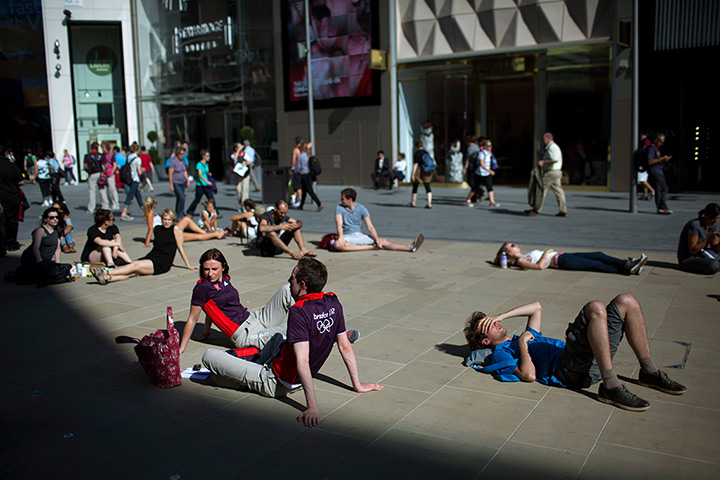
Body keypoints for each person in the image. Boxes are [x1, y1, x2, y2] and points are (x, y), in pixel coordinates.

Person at [200, 256, 383, 427]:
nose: (289, 282)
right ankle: (251, 366)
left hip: (273, 381)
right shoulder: (333, 302)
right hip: (291, 375)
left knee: (209, 357)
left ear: (302, 285)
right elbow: (344, 346)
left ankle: (249, 373)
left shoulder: (298, 311)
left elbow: (303, 361)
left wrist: (312, 407)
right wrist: (357, 384)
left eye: (292, 279)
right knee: (277, 337)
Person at [464, 294, 687, 411]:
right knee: (594, 307)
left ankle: (648, 371)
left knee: (626, 301)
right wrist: (522, 345)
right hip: (566, 369)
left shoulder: (520, 336)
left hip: (582, 359)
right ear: (485, 340)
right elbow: (529, 376)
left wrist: (501, 316)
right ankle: (611, 386)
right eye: (489, 325)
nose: (494, 323)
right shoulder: (502, 352)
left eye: (492, 320)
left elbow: (536, 307)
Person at [179, 248, 294, 354]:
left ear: (223, 267)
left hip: (256, 319)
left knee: (286, 290)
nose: (210, 274)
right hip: (246, 335)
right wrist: (181, 348)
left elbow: (211, 310)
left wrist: (205, 333)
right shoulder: (202, 288)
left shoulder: (225, 279)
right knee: (290, 329)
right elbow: (193, 318)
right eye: (206, 269)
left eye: (214, 269)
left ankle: (309, 314)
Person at [93, 208, 198, 284]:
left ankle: (105, 272)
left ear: (173, 220)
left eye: (169, 219)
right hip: (152, 256)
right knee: (133, 272)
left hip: (163, 262)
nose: (166, 222)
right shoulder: (157, 229)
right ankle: (107, 278)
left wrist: (188, 265)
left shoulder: (175, 230)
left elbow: (180, 248)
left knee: (134, 266)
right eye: (164, 219)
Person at [335, 188, 424, 253]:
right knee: (338, 245)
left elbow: (370, 226)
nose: (341, 200)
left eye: (343, 199)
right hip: (347, 236)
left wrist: (377, 239)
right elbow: (339, 224)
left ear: (350, 199)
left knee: (382, 241)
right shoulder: (339, 208)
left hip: (359, 235)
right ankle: (369, 247)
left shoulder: (362, 208)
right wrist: (341, 238)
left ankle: (409, 247)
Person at [494, 242, 647, 275]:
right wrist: (547, 252)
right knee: (595, 264)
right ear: (510, 253)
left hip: (562, 256)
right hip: (560, 261)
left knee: (598, 255)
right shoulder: (521, 261)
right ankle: (627, 267)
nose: (516, 245)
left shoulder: (525, 256)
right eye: (512, 245)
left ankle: (629, 265)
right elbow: (540, 266)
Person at [142, 196, 226, 248]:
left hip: (168, 230)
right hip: (167, 234)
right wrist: (147, 242)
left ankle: (205, 232)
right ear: (153, 204)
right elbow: (150, 229)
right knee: (195, 236)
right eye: (156, 203)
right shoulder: (150, 214)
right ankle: (215, 234)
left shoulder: (152, 213)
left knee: (187, 220)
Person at [526, 132, 567, 217]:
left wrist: (543, 162)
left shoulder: (552, 147)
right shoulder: (554, 147)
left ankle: (536, 209)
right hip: (557, 172)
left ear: (549, 139)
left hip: (551, 172)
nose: (544, 141)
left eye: (545, 139)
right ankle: (563, 210)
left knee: (541, 189)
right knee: (558, 191)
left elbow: (554, 159)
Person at [677, 202, 720, 275]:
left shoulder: (712, 226)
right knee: (714, 265)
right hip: (689, 258)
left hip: (703, 254)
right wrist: (708, 239)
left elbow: (715, 248)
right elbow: (693, 250)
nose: (715, 221)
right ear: (706, 215)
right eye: (713, 218)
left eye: (718, 218)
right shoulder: (695, 225)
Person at [0, 149, 25, 254]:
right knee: (12, 221)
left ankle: (2, 245)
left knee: (1, 223)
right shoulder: (11, 165)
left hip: (1, 198)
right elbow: (21, 181)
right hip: (12, 197)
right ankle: (11, 242)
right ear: (5, 153)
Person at [647, 133, 673, 215]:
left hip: (658, 171)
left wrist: (663, 159)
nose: (661, 144)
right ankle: (661, 207)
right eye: (660, 142)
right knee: (661, 189)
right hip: (655, 172)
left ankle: (662, 206)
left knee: (663, 189)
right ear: (656, 140)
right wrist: (662, 158)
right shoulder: (651, 148)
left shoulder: (655, 149)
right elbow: (650, 161)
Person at [186, 149, 215, 217]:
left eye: (209, 156)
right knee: (197, 199)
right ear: (203, 156)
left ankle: (214, 212)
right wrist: (207, 181)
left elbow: (205, 173)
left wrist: (209, 174)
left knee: (211, 199)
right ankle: (189, 211)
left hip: (206, 185)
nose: (209, 157)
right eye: (207, 156)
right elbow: (200, 175)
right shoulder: (199, 164)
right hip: (200, 185)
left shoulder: (206, 164)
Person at [296, 142, 323, 211]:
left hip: (304, 175)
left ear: (301, 149)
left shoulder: (300, 156)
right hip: (310, 175)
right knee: (304, 191)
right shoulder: (309, 155)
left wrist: (294, 171)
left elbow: (298, 167)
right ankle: (301, 206)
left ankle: (319, 204)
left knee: (310, 191)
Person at [119, 144, 143, 221]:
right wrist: (143, 170)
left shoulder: (129, 157)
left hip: (129, 178)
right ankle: (124, 213)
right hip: (135, 179)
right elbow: (139, 171)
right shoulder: (138, 159)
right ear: (138, 149)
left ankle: (145, 211)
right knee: (130, 195)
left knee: (138, 195)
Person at [84, 142, 109, 213]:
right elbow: (106, 166)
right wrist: (103, 172)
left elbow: (85, 167)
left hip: (92, 174)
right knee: (102, 190)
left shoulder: (87, 156)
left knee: (92, 191)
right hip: (100, 173)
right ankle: (105, 207)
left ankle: (91, 208)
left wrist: (89, 172)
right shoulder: (101, 156)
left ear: (91, 148)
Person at [408, 140, 434, 208]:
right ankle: (429, 203)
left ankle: (413, 202)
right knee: (427, 186)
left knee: (415, 186)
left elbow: (415, 164)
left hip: (419, 171)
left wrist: (413, 174)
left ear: (416, 146)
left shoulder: (417, 153)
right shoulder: (426, 152)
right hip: (427, 171)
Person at [476, 139, 500, 208]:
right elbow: (482, 164)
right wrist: (490, 171)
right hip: (480, 173)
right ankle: (468, 199)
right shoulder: (481, 153)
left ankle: (492, 202)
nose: (490, 147)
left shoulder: (489, 153)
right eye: (489, 146)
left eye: (491, 146)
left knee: (490, 188)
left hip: (486, 174)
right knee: (474, 188)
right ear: (484, 146)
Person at [168, 146, 189, 219]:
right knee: (182, 198)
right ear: (177, 154)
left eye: (183, 154)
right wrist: (171, 185)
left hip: (182, 182)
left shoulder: (183, 161)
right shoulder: (173, 162)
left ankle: (177, 214)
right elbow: (170, 174)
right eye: (180, 154)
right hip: (176, 182)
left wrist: (187, 180)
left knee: (180, 199)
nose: (182, 155)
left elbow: (185, 171)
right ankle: (180, 215)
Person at [463, 135, 482, 207]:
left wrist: (465, 168)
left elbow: (468, 159)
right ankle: (475, 196)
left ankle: (479, 192)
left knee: (471, 182)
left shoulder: (470, 148)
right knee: (474, 181)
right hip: (477, 167)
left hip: (471, 167)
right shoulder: (477, 147)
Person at [100, 142, 120, 210]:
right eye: (102, 147)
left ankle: (116, 203)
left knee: (112, 189)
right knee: (105, 190)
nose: (103, 149)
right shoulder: (102, 156)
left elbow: (115, 164)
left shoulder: (111, 155)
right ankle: (109, 203)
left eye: (104, 147)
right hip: (104, 174)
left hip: (110, 174)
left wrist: (112, 172)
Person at [290, 136, 303, 207]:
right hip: (303, 169)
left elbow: (293, 160)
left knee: (298, 186)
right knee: (299, 186)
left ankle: (297, 199)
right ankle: (298, 199)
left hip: (297, 169)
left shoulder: (296, 150)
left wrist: (292, 168)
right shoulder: (303, 150)